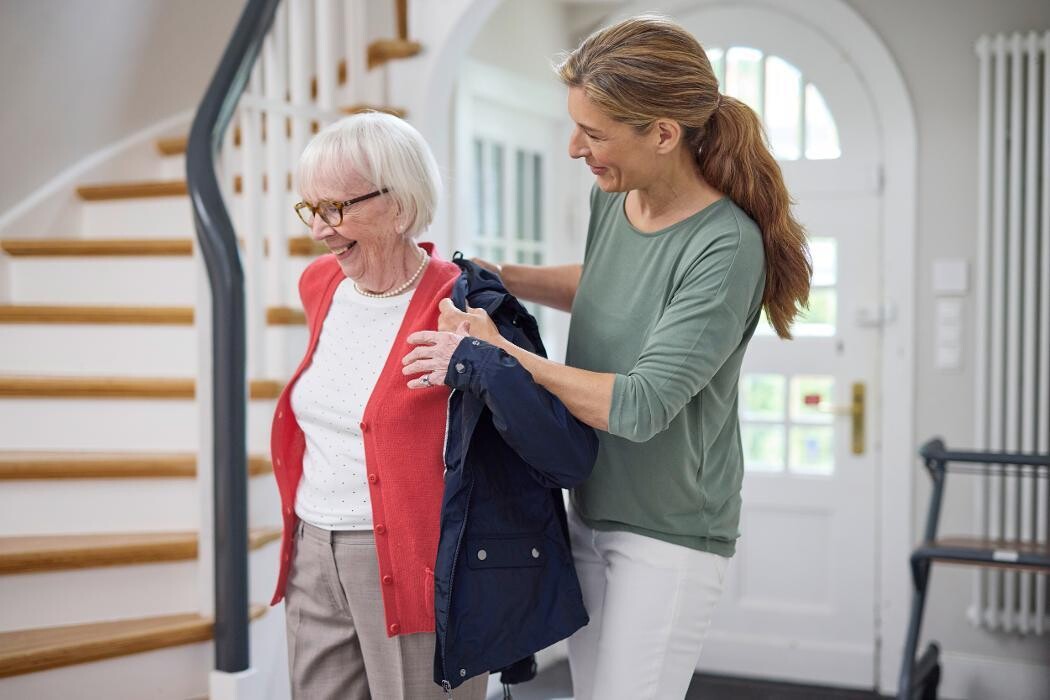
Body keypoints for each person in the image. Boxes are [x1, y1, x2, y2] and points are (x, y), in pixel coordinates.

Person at [407, 14, 812, 700]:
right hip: (589, 506)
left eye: (593, 134)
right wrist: (499, 274)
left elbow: (639, 404)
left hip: (668, 534)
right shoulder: (616, 199)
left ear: (662, 133)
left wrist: (501, 352)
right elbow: (602, 283)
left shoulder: (725, 246)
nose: (574, 148)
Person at [269, 111, 596, 700]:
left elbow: (563, 452)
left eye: (335, 209)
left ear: (398, 206)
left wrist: (479, 363)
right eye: (310, 209)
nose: (318, 229)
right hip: (313, 551)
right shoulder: (321, 283)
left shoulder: (467, 303)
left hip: (420, 563)